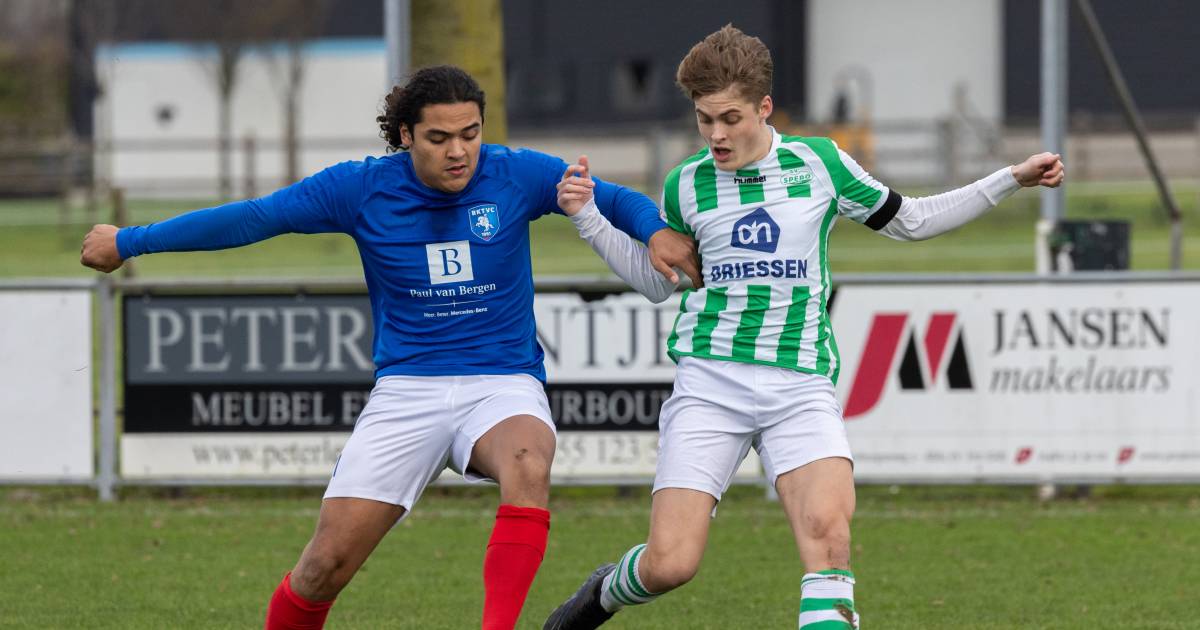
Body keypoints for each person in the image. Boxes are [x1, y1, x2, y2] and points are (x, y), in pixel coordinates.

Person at [79, 65, 701, 630]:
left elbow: (611, 195)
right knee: (323, 568)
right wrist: (131, 240)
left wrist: (652, 231)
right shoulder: (359, 189)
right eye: (439, 137)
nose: (459, 151)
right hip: (407, 391)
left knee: (528, 462)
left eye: (471, 133)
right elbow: (252, 218)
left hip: (503, 380)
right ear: (405, 135)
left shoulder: (514, 172)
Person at [544, 25, 1064, 630]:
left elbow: (913, 221)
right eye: (703, 119)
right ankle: (602, 594)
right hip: (710, 386)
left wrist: (1010, 178)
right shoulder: (686, 182)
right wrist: (589, 221)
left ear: (764, 108)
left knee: (828, 545)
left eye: (730, 118)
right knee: (670, 565)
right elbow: (663, 281)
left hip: (799, 386)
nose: (715, 135)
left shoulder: (819, 163)